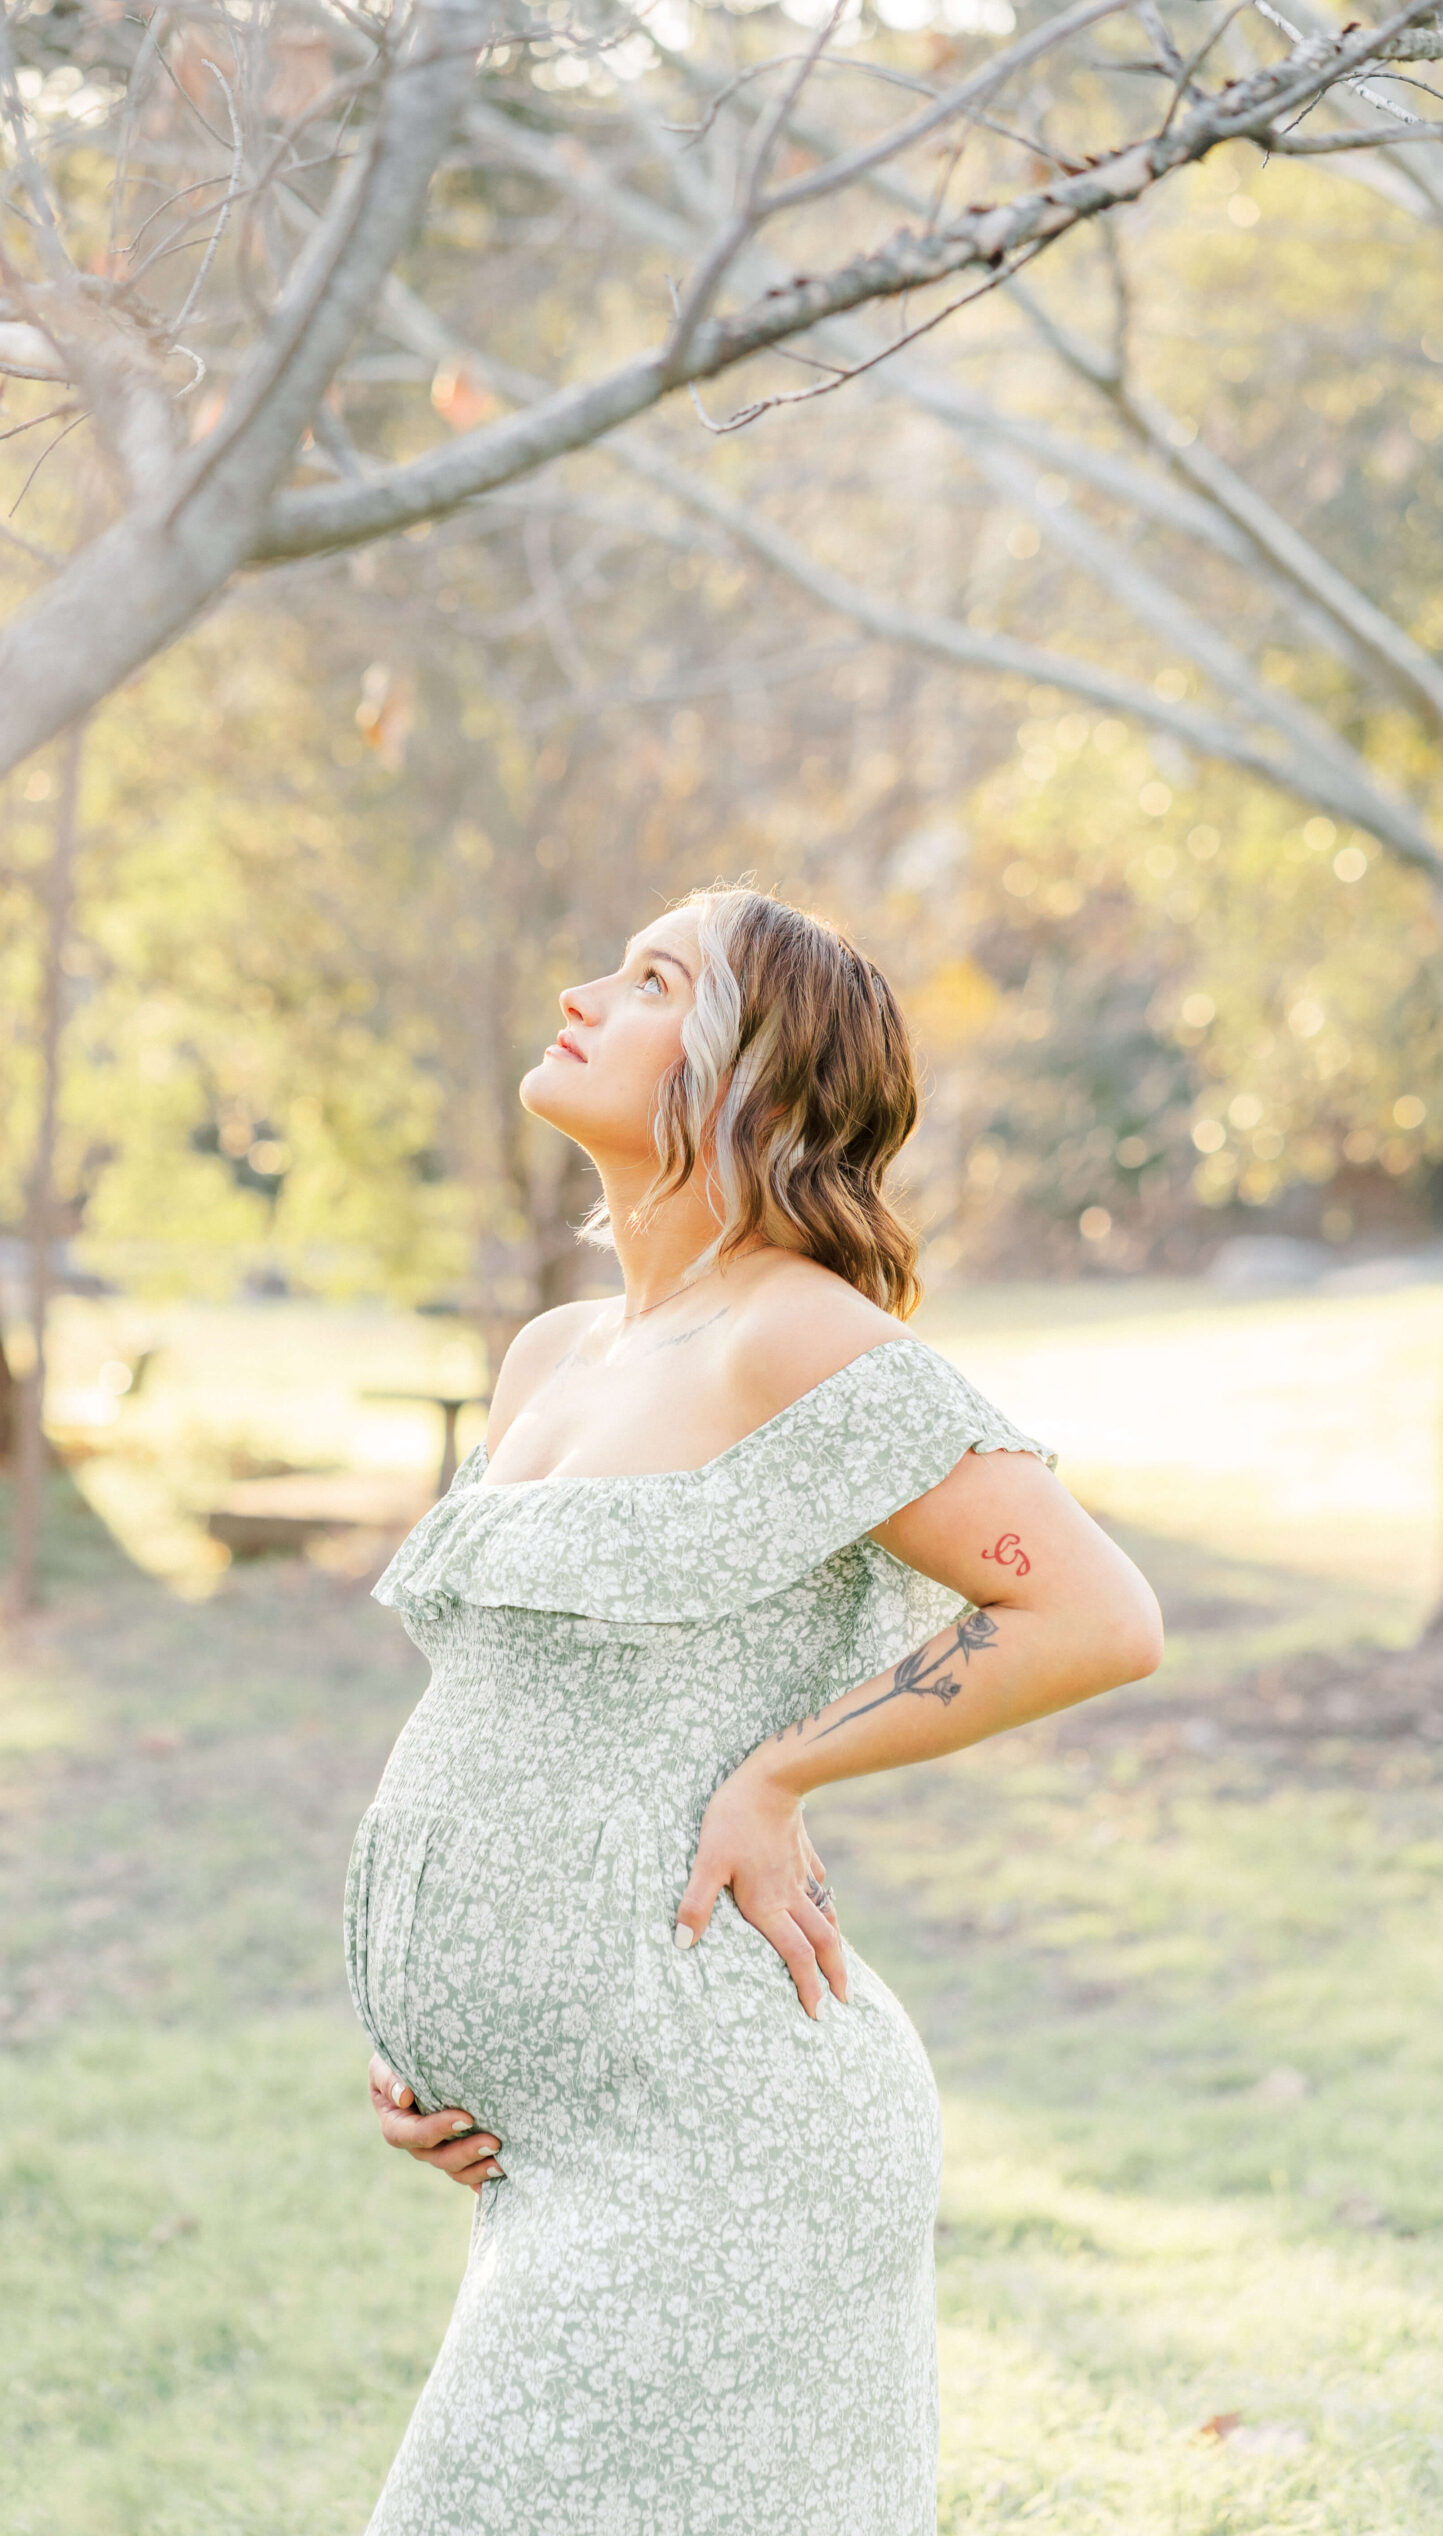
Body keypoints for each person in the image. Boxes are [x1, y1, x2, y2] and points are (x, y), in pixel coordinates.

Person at [345, 883, 1162, 2534]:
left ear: (751, 1081)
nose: (581, 989)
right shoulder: (553, 1356)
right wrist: (444, 2049)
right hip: (558, 2149)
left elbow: (1094, 1612)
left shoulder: (797, 1333)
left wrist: (783, 1774)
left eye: (649, 979)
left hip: (728, 2141)